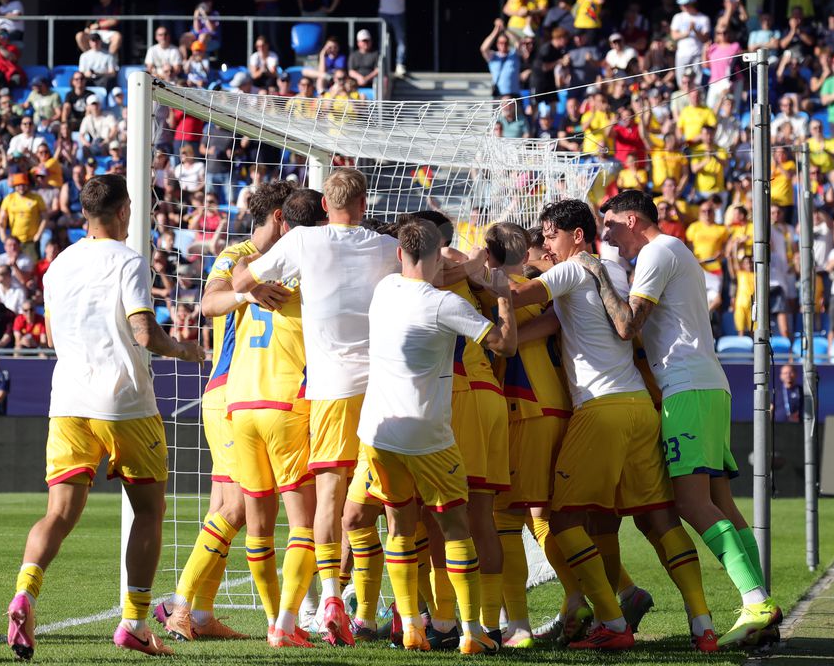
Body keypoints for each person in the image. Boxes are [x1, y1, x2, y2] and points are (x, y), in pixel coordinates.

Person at [5, 174, 205, 660]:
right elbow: (143, 331)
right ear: (123, 212)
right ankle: (134, 623)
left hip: (69, 401)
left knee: (58, 513)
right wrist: (183, 349)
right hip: (124, 402)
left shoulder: (57, 266)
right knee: (149, 511)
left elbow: (52, 336)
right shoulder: (128, 261)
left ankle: (25, 592)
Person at [577, 190, 781, 647]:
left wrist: (594, 273)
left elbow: (628, 325)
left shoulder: (657, 250)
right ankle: (761, 601)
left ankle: (755, 601)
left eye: (609, 225)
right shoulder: (671, 251)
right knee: (721, 503)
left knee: (691, 503)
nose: (606, 237)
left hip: (687, 388)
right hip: (705, 383)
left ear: (631, 219)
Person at [512, 201, 717, 652]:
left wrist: (478, 274)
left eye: (550, 235)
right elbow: (554, 323)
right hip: (640, 409)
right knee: (653, 519)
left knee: (563, 518)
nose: (546, 244)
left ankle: (611, 620)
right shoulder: (618, 272)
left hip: (600, 409)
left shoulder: (572, 269)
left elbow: (518, 298)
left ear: (577, 236)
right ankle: (703, 625)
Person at [231, 167, 400, 647]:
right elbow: (436, 263)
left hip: (327, 390)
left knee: (327, 498)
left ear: (326, 206)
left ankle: (328, 597)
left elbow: (242, 275)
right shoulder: (387, 248)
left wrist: (257, 289)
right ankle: (401, 613)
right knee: (390, 499)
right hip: (381, 389)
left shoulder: (303, 242)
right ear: (365, 203)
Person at [359, 218, 516, 654]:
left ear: (399, 255)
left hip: (377, 432)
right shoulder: (444, 304)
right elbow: (503, 345)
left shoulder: (384, 290)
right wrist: (502, 297)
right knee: (455, 527)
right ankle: (471, 631)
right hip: (427, 434)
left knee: (400, 527)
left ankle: (411, 625)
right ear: (439, 253)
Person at [155, 180, 297, 643]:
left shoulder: (288, 259)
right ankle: (179, 606)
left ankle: (200, 614)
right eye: (292, 217)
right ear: (279, 217)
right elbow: (209, 302)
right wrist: (247, 293)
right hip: (231, 391)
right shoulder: (238, 256)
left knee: (223, 507)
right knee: (237, 508)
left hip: (243, 394)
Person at [373, 0, 410, 76]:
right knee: (383, 40)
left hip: (399, 13)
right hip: (384, 13)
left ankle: (400, 64)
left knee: (401, 40)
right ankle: (383, 65)